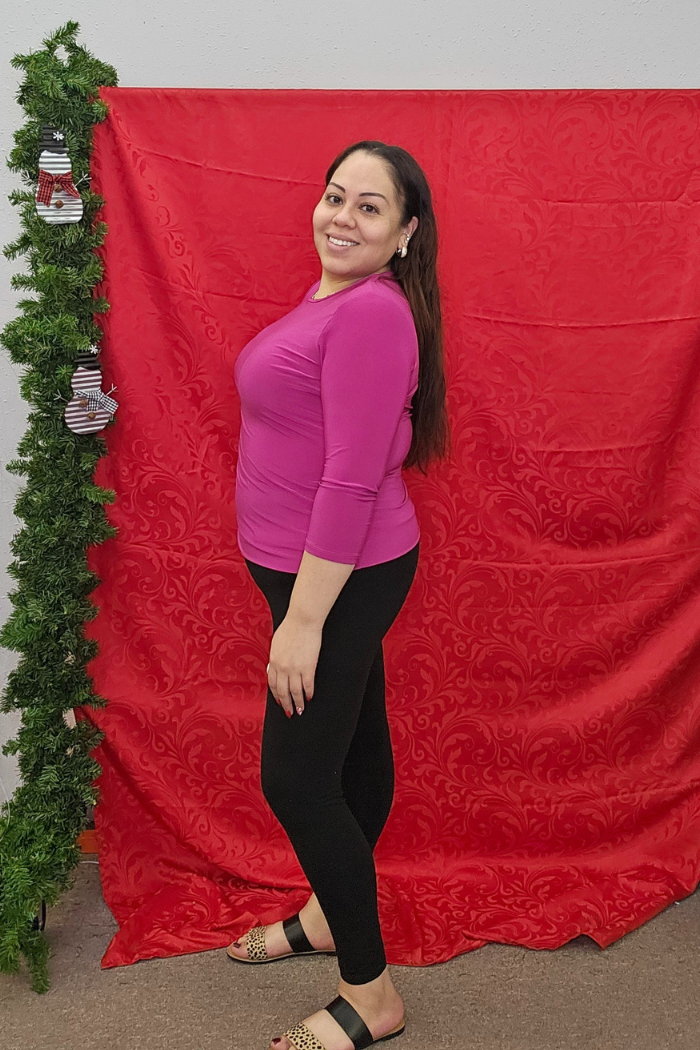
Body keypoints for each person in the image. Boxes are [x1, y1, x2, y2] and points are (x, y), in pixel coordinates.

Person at [229, 140, 451, 1050]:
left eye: (369, 208)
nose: (341, 217)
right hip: (315, 569)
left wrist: (304, 623)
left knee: (295, 775)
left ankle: (370, 991)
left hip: (340, 577)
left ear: (404, 233)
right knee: (357, 738)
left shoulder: (370, 314)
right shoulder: (334, 298)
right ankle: (326, 914)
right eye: (334, 196)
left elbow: (354, 479)